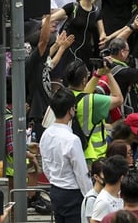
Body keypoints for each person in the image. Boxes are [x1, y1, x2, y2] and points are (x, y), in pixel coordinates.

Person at [41, 89, 92, 223]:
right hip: (72, 193)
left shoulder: (46, 134)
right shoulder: (72, 140)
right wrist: (90, 196)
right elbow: (81, 173)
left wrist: (54, 179)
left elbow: (45, 166)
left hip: (55, 189)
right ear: (71, 110)